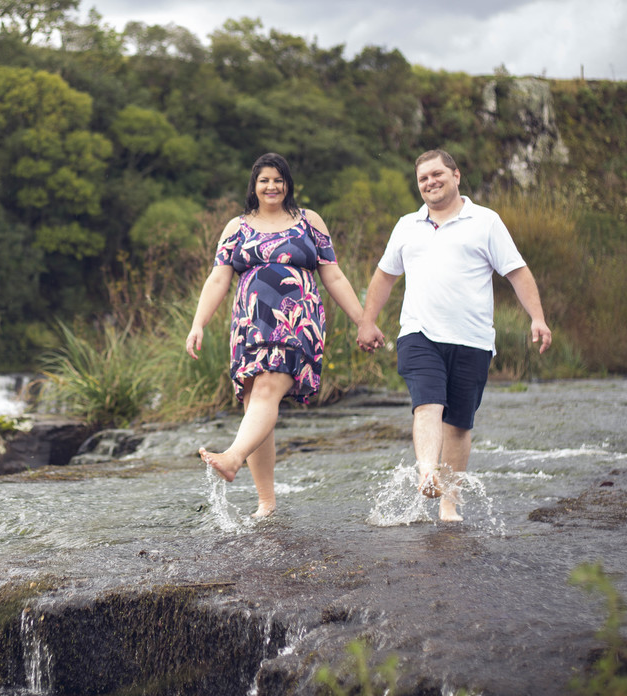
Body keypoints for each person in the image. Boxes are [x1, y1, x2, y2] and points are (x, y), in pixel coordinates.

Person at [357, 149, 552, 521]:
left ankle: (450, 503)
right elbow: (384, 276)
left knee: (460, 424)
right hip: (419, 333)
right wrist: (368, 321)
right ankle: (427, 470)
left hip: (473, 339)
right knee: (428, 404)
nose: (430, 182)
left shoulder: (486, 221)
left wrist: (537, 318)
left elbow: (517, 272)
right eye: (422, 179)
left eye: (436, 174)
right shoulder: (406, 226)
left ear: (456, 175)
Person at [186, 152, 370, 517]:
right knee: (255, 401)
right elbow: (219, 278)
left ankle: (232, 457)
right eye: (264, 180)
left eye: (278, 179)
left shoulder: (308, 222)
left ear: (289, 184)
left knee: (268, 389)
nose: (272, 186)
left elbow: (333, 274)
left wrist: (363, 320)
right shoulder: (236, 228)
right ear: (254, 186)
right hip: (250, 324)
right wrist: (198, 323)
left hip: (296, 320)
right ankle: (266, 503)